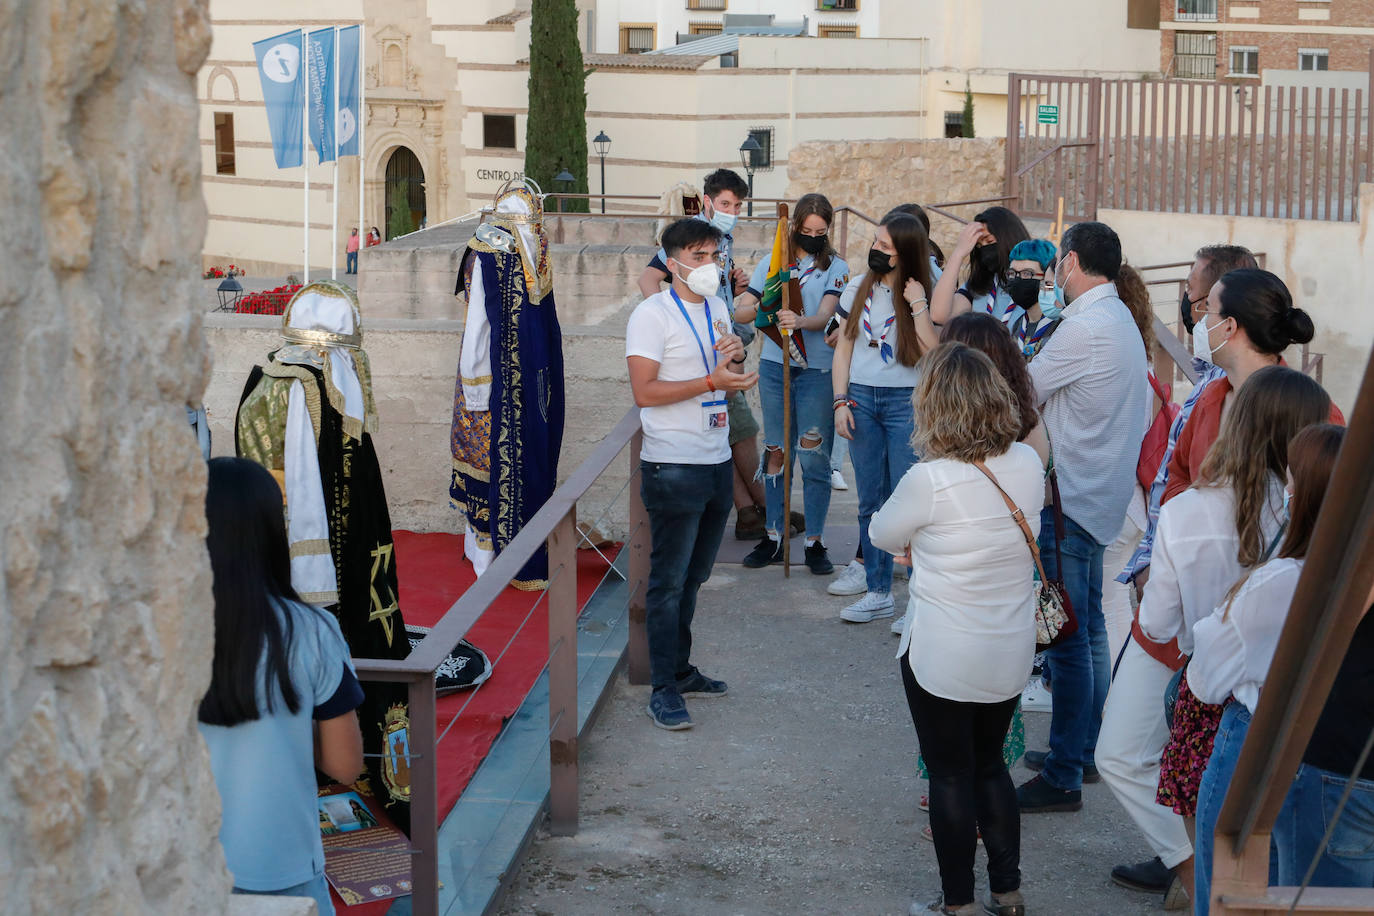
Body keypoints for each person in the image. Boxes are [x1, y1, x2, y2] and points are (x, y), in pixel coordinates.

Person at [1101, 366, 1331, 908]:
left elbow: (1158, 624)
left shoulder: (1186, 511)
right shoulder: (1308, 508)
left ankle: (1199, 881)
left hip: (1209, 693)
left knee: (1213, 833)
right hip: (1296, 700)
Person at [870, 342, 1045, 916]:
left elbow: (879, 534)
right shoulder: (1025, 463)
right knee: (993, 765)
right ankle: (1008, 891)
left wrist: (918, 544)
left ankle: (959, 903)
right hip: (1009, 648)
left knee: (950, 775)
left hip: (943, 651)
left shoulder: (930, 479)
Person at [234, 280, 413, 819]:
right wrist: (316, 582)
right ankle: (348, 756)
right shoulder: (302, 390)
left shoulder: (275, 375)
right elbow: (302, 490)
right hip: (326, 558)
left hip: (335, 541)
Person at [1016, 221, 1148, 814]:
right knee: (1088, 629)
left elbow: (1022, 389)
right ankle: (1080, 749)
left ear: (1068, 262)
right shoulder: (1118, 318)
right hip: (1098, 496)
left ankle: (1066, 772)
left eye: (1055, 267)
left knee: (1068, 638)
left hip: (1068, 502)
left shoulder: (1085, 325)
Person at [198, 457, 365, 916]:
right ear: (274, 531)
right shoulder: (313, 630)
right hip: (282, 863)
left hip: (180, 863)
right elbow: (345, 765)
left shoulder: (159, 629)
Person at [1190, 423, 1344, 914]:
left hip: (1254, 741)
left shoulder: (1279, 581)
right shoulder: (1347, 578)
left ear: (1309, 492)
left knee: (1230, 889)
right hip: (1333, 752)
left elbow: (1206, 679)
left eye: (1296, 476)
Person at [626, 217, 756, 730]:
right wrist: (709, 381)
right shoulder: (650, 315)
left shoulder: (720, 306)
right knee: (668, 581)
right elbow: (645, 393)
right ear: (674, 261)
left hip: (715, 459)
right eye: (700, 257)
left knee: (697, 575)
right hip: (672, 463)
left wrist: (736, 355)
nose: (711, 266)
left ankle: (680, 669)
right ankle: (662, 688)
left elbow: (727, 357)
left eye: (715, 256)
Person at [637, 169, 783, 544]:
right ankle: (766, 509)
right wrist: (669, 319)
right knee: (741, 431)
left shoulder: (722, 239)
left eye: (737, 205)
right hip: (704, 356)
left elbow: (713, 294)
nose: (732, 210)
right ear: (707, 202)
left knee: (727, 430)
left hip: (724, 343)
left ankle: (752, 510)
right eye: (724, 204)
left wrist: (733, 286)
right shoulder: (690, 238)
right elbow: (648, 279)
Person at [450, 182, 565, 588]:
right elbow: (478, 324)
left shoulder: (535, 249)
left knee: (534, 453)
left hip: (532, 374)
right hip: (492, 384)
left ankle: (527, 543)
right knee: (488, 463)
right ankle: (487, 553)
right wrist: (479, 390)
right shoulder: (487, 255)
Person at [733, 193, 850, 573]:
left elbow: (826, 314)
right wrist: (757, 308)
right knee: (776, 452)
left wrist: (798, 322)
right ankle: (772, 536)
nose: (814, 235)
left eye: (822, 230)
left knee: (814, 457)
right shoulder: (773, 263)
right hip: (774, 367)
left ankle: (814, 541)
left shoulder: (837, 268)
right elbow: (745, 308)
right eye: (807, 229)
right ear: (795, 226)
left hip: (816, 369)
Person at [825, 203, 936, 598]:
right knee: (869, 496)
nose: (876, 248)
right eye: (875, 240)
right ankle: (877, 591)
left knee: (908, 497)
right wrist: (840, 401)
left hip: (906, 401)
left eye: (885, 245)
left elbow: (933, 351)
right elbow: (843, 350)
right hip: (860, 399)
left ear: (905, 252)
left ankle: (918, 598)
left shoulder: (923, 290)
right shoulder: (857, 287)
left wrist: (918, 303)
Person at [1164, 268, 1338, 502]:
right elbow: (1178, 475)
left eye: (1208, 309)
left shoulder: (1313, 409)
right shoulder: (1211, 398)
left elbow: (1328, 499)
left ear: (1229, 326)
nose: (1201, 321)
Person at [929, 206, 1031, 326]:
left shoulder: (1034, 281)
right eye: (978, 246)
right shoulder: (979, 287)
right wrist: (959, 253)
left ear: (1009, 238)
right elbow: (938, 315)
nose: (984, 249)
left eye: (990, 242)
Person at [1003, 239, 1058, 358]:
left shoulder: (1060, 326)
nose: (1017, 280)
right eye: (1012, 273)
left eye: (1027, 273)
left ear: (1047, 277)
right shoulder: (1018, 325)